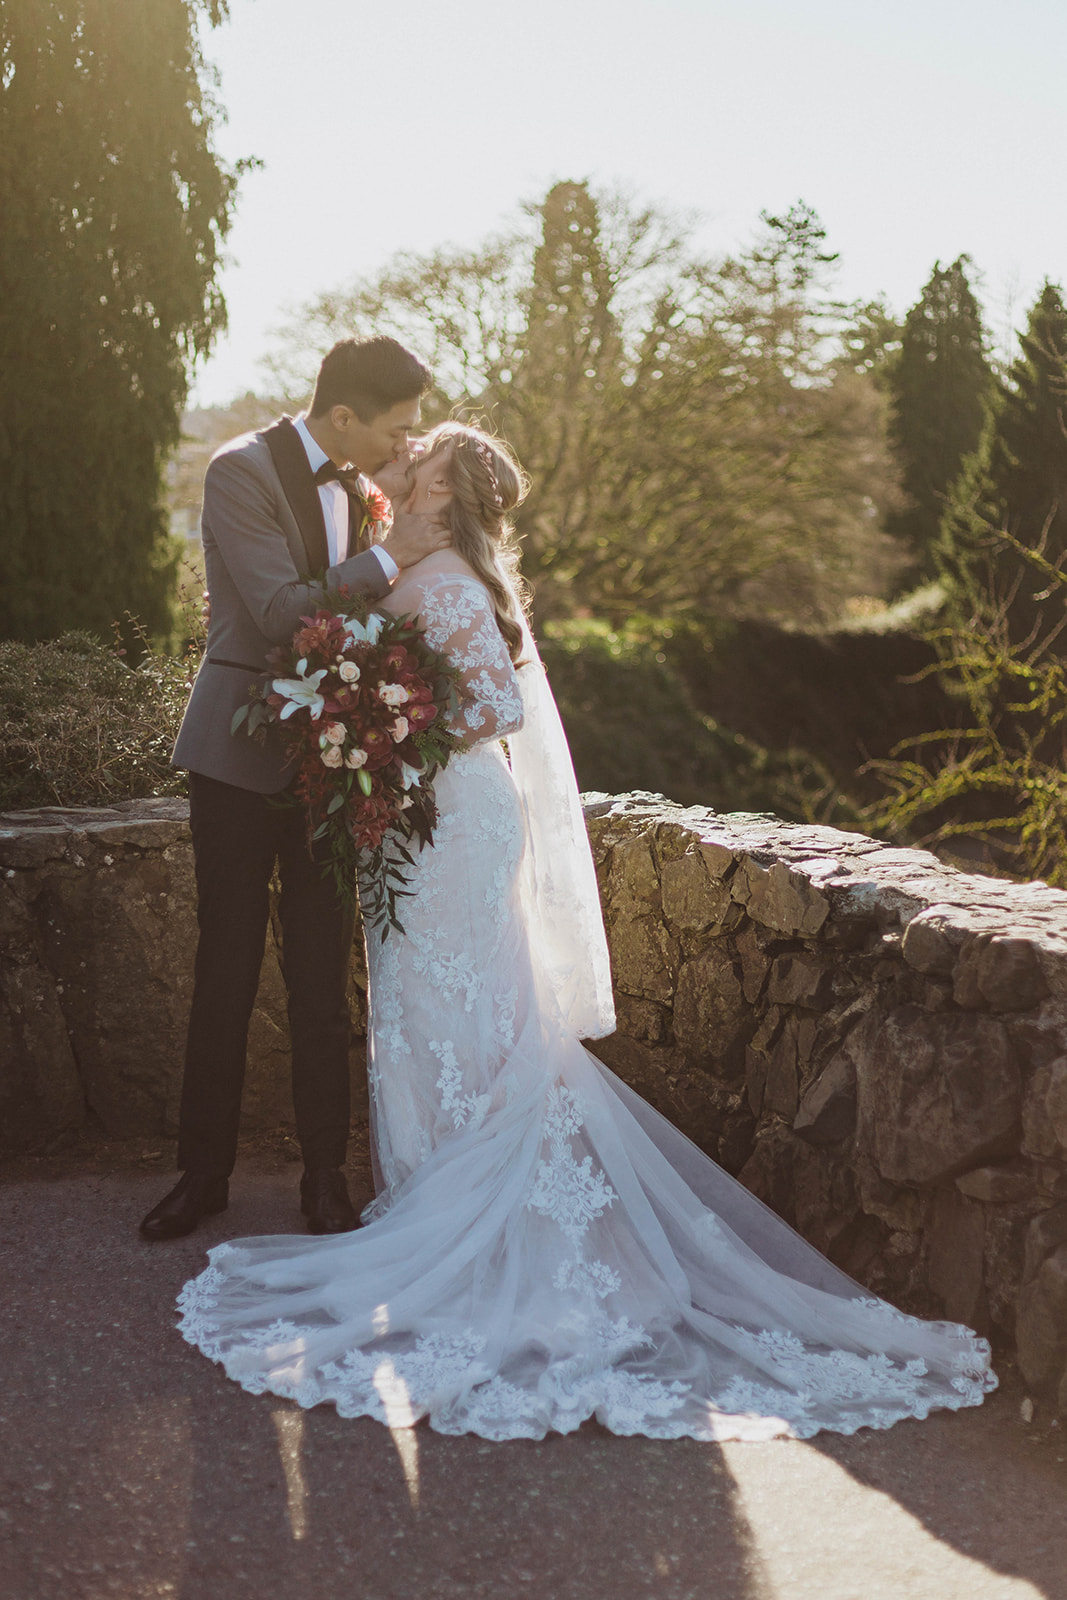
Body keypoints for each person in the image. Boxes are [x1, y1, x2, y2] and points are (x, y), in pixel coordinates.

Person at [176, 423, 997, 1443]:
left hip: (454, 822)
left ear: (444, 502)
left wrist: (389, 729)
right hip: (412, 823)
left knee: (462, 1006)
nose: (398, 487)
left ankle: (467, 1222)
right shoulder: (410, 571)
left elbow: (492, 702)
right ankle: (429, 1196)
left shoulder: (450, 587)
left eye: (419, 477)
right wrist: (370, 722)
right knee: (419, 1003)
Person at [140, 337, 452, 1243]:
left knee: (324, 976)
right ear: (343, 417)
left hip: (330, 759)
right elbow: (281, 612)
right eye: (397, 426)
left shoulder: (361, 485)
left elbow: (359, 617)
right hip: (235, 765)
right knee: (225, 971)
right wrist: (391, 555)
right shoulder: (240, 470)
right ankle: (203, 1177)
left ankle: (326, 1177)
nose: (409, 438)